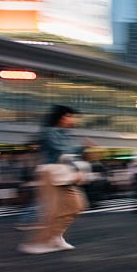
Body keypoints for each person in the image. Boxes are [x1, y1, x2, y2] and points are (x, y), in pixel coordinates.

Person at [18, 105, 92, 254]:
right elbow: (62, 149)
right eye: (71, 116)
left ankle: (56, 236)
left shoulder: (65, 133)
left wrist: (77, 171)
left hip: (64, 173)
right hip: (50, 173)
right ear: (63, 117)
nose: (74, 120)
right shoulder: (49, 132)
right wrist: (82, 146)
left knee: (77, 205)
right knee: (53, 210)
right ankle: (39, 243)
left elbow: (68, 155)